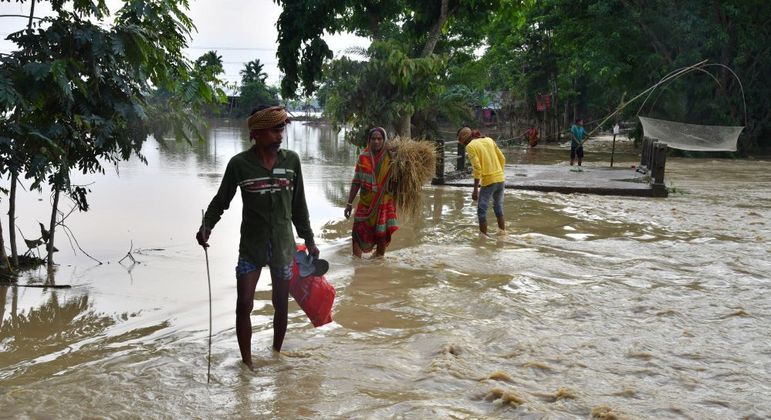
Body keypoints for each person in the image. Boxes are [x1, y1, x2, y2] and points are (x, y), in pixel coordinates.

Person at [196, 105, 318, 370]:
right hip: (252, 246)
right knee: (244, 304)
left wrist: (309, 240)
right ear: (257, 133)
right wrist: (207, 226)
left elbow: (299, 206)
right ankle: (247, 364)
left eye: (281, 129)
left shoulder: (292, 162)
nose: (280, 135)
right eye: (275, 130)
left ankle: (276, 353)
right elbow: (221, 200)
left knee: (281, 305)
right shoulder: (240, 165)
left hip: (284, 246)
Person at [343, 127, 398, 258]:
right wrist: (349, 203)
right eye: (373, 139)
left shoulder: (391, 158)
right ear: (369, 140)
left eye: (379, 139)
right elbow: (356, 181)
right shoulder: (363, 157)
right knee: (357, 232)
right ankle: (356, 264)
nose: (376, 141)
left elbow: (398, 181)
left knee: (381, 236)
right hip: (365, 202)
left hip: (383, 203)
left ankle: (378, 265)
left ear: (384, 140)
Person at [457, 127, 506, 235]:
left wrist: (475, 189)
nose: (464, 146)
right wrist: (499, 174)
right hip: (500, 179)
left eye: (463, 143)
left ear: (465, 140)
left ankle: (483, 239)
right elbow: (502, 158)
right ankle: (503, 233)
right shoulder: (489, 140)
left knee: (481, 211)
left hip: (488, 181)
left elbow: (477, 168)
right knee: (498, 207)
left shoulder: (470, 146)